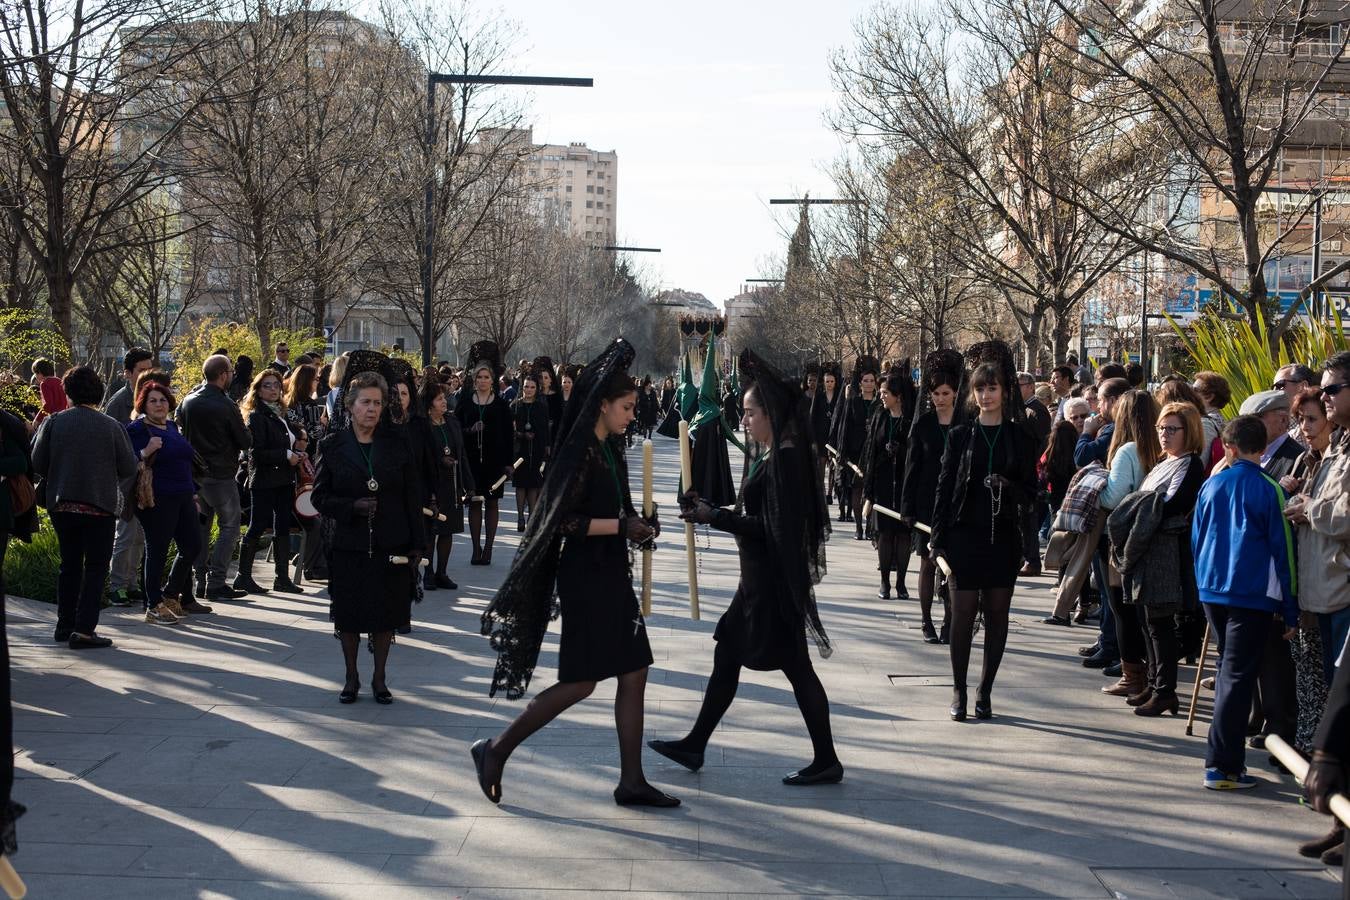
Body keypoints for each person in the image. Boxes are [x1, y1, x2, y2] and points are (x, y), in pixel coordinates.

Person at [471, 339, 677, 807]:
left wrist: (640, 526)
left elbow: (617, 512)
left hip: (610, 572)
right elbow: (563, 522)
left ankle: (631, 780)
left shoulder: (611, 448)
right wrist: (621, 525)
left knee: (634, 670)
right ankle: (496, 749)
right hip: (585, 575)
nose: (631, 415)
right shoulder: (578, 450)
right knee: (583, 681)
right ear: (601, 405)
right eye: (625, 407)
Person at [649, 348, 841, 786]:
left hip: (772, 584)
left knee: (796, 668)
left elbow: (771, 528)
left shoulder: (788, 459)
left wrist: (712, 517)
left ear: (771, 413)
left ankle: (826, 758)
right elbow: (755, 515)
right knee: (728, 652)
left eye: (751, 413)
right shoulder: (778, 453)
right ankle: (696, 744)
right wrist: (710, 507)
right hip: (757, 582)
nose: (745, 421)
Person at [930, 342, 1038, 721]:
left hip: (1003, 537)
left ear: (1004, 392)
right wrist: (936, 539)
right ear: (972, 394)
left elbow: (1032, 491)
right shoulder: (961, 436)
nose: (986, 395)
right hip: (964, 534)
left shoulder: (1019, 437)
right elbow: (944, 487)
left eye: (992, 388)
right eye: (980, 389)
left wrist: (1008, 487)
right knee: (962, 613)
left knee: (997, 614)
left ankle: (985, 690)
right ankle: (958, 689)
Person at [1192, 415, 1297, 791]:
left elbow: (1197, 537)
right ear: (1264, 446)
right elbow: (1283, 551)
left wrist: (1202, 583)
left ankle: (1223, 761)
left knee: (1228, 672)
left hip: (1213, 589)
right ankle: (1223, 765)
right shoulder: (1271, 489)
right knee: (1236, 676)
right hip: (1252, 594)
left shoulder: (1212, 484)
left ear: (1230, 448)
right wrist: (1290, 607)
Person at [312, 371, 424, 705]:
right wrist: (352, 506)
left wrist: (418, 542)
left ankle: (379, 677)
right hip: (349, 544)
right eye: (365, 403)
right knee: (349, 614)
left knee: (385, 613)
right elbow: (319, 497)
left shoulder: (396, 444)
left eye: (377, 403)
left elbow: (412, 496)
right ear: (349, 406)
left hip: (391, 542)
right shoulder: (332, 445)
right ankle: (351, 676)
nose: (372, 409)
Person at [1107, 401, 1205, 716]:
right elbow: (1147, 501)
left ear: (1188, 431)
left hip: (1165, 554)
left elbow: (1170, 505)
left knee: (1160, 624)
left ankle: (1165, 691)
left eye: (1172, 429)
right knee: (1147, 623)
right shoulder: (1164, 462)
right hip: (1147, 549)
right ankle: (1153, 683)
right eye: (1161, 428)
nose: (1164, 435)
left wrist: (1142, 503)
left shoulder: (1190, 464)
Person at [32, 366, 138, 649]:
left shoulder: (54, 422)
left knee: (69, 566)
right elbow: (129, 466)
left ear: (67, 392)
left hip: (62, 505)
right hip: (100, 506)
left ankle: (64, 624)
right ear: (99, 393)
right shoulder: (111, 426)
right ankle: (84, 629)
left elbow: (37, 462)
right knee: (95, 567)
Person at [1240, 389, 1301, 750]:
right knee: (1256, 652)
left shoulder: (1292, 456)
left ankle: (1278, 723)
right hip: (1253, 570)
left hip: (1277, 570)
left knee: (1275, 656)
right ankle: (1257, 713)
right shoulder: (1255, 457)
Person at [1096, 390, 1163, 699]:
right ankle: (1152, 674)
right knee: (1144, 613)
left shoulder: (1127, 451)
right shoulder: (1162, 450)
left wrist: (1096, 484)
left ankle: (1131, 674)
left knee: (1121, 609)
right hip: (1153, 537)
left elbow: (1113, 496)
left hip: (1122, 538)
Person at [126, 383, 209, 624]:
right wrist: (144, 451)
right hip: (156, 498)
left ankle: (171, 594)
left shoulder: (172, 426)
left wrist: (193, 495)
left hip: (183, 495)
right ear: (143, 404)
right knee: (157, 549)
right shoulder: (137, 429)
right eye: (153, 401)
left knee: (192, 545)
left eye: (162, 400)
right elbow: (125, 461)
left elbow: (185, 464)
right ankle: (153, 604)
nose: (159, 404)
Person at [1281, 387, 1334, 759]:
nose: (1305, 428)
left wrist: (1309, 507)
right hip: (1305, 582)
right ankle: (1305, 747)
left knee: (1322, 675)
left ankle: (1317, 753)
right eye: (1300, 420)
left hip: (1330, 585)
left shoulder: (1336, 461)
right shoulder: (1306, 461)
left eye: (1312, 419)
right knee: (1306, 670)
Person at [172, 355, 251, 601]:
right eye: (230, 371)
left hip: (196, 475)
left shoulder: (188, 400)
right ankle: (217, 582)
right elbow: (244, 440)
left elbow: (179, 424)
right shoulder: (226, 404)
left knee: (202, 529)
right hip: (221, 474)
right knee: (230, 526)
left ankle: (200, 581)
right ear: (223, 374)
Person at [901, 350, 963, 644]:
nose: (940, 398)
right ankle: (926, 621)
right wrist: (907, 507)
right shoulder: (923, 425)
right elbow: (911, 468)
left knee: (954, 566)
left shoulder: (966, 423)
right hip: (926, 504)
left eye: (946, 393)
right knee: (927, 562)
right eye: (936, 393)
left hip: (956, 504)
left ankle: (950, 621)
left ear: (955, 393)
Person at [235, 369, 306, 595]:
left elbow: (287, 442)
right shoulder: (257, 416)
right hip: (264, 479)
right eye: (267, 385)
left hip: (284, 478)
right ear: (257, 390)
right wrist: (287, 455)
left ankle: (282, 578)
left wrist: (298, 453)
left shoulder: (280, 414)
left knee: (282, 525)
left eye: (276, 385)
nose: (273, 389)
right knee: (257, 524)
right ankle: (242, 576)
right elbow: (257, 453)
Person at [104, 347, 156, 608]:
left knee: (139, 535)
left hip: (147, 479)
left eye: (150, 368)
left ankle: (132, 583)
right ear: (127, 374)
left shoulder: (152, 397)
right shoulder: (118, 403)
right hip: (125, 480)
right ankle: (117, 587)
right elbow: (110, 445)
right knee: (125, 534)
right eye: (141, 370)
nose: (147, 374)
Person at [456, 344, 514, 566]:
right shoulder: (465, 403)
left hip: (494, 461)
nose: (482, 380)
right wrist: (470, 430)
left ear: (493, 380)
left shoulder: (500, 405)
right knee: (473, 503)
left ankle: (488, 547)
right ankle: (475, 548)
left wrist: (508, 463)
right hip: (471, 460)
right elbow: (456, 430)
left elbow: (508, 436)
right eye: (479, 376)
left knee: (491, 503)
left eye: (486, 376)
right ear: (474, 379)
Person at [862, 370, 914, 600]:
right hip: (882, 485)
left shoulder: (911, 420)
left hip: (904, 486)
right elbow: (871, 454)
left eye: (885, 393)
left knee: (903, 535)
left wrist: (901, 451)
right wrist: (868, 494)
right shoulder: (879, 417)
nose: (881, 396)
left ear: (898, 395)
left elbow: (916, 454)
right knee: (884, 534)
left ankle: (901, 583)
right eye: (881, 393)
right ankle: (884, 582)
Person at [419, 378, 473, 591]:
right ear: (429, 403)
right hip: (432, 486)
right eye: (440, 399)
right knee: (431, 530)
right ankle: (429, 573)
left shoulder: (452, 422)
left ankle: (442, 572)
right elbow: (421, 458)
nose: (444, 402)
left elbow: (462, 453)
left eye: (444, 398)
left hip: (452, 484)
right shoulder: (422, 426)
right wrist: (439, 461)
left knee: (448, 530)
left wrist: (469, 483)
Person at [832, 358, 880, 539]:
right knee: (857, 489)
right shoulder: (853, 402)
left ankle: (869, 528)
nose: (868, 384)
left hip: (873, 453)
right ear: (860, 383)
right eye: (865, 381)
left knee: (871, 492)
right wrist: (842, 453)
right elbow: (844, 427)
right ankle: (859, 527)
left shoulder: (880, 404)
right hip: (855, 453)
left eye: (871, 381)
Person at [1018, 372, 1052, 576]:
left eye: (1020, 385)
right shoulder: (1024, 409)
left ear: (1030, 386)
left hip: (1033, 472)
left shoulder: (1037, 410)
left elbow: (1042, 444)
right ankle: (1024, 557)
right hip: (1024, 471)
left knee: (1030, 518)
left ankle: (1032, 560)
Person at [511, 374, 550, 532]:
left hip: (537, 449)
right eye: (526, 386)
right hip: (520, 451)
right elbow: (510, 429)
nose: (529, 390)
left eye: (532, 387)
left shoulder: (541, 406)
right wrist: (521, 434)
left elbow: (545, 429)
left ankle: (531, 517)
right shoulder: (515, 405)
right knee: (520, 485)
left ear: (537, 389)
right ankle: (520, 516)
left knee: (534, 485)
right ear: (522, 387)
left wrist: (547, 446)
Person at [31, 357, 67, 428]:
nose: (35, 376)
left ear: (40, 372)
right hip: (64, 415)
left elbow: (47, 404)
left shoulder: (44, 383)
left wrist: (37, 419)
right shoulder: (59, 380)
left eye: (36, 373)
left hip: (53, 419)